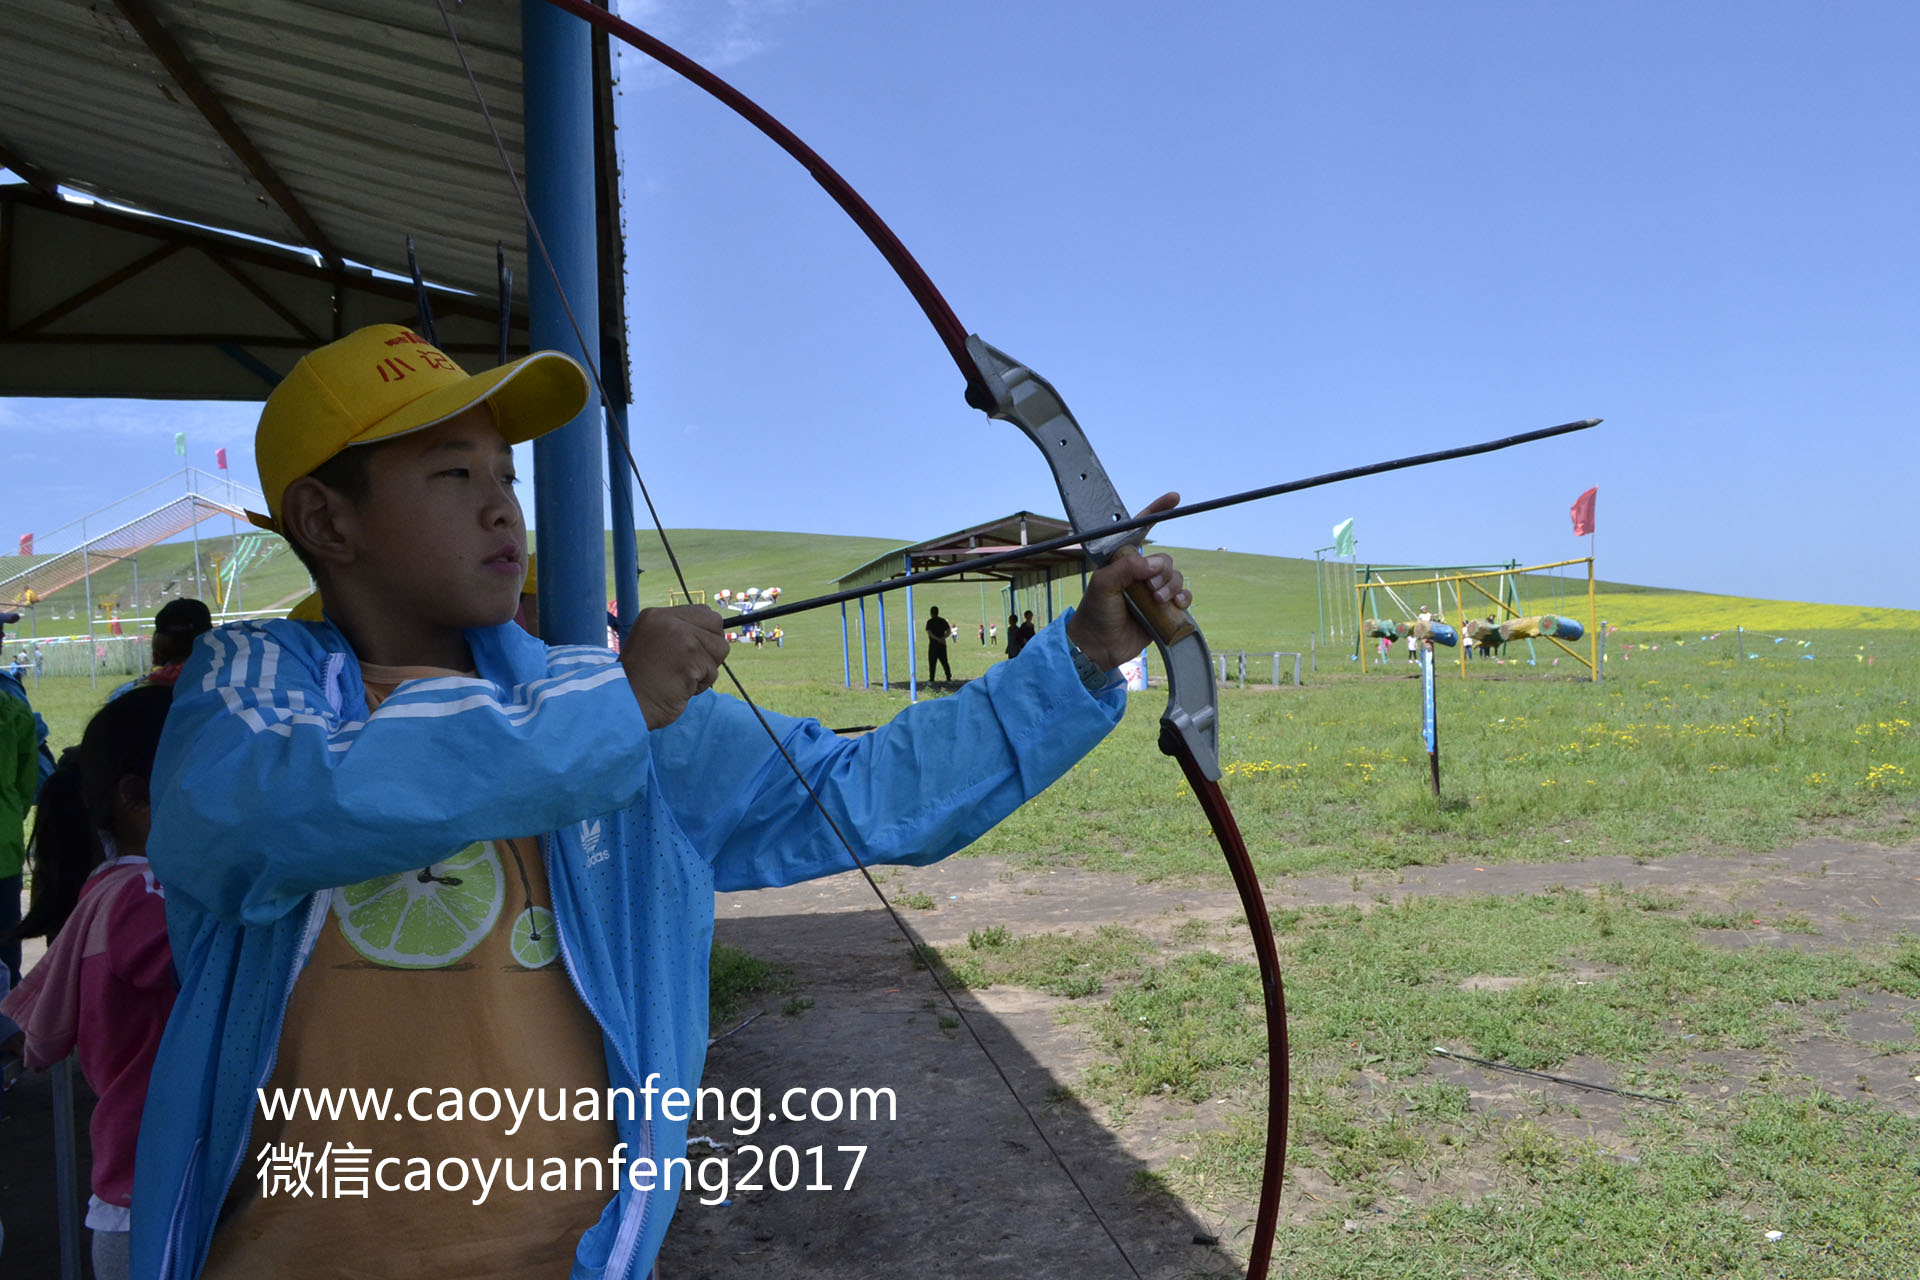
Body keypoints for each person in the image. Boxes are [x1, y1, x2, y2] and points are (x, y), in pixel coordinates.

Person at [130, 324, 1190, 1279]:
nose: (503, 504)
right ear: (327, 519)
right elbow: (263, 809)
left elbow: (857, 789)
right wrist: (615, 702)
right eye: (451, 474)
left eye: (506, 470)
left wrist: (1087, 653)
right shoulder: (249, 687)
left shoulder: (607, 706)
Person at [1, 686, 177, 1280]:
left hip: (149, 1196)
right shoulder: (139, 896)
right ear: (135, 797)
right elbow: (202, 958)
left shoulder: (116, 888)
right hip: (154, 1208)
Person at [0, 609, 52, 991]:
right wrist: (11, 809)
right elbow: (27, 778)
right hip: (3, 843)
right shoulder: (10, 702)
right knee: (5, 942)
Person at [925, 605, 952, 682]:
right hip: (942, 644)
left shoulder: (929, 622)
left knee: (932, 662)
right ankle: (948, 677)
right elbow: (949, 631)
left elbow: (929, 633)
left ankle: (932, 679)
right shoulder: (943, 621)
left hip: (933, 645)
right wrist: (942, 638)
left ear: (931, 613)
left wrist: (937, 639)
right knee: (944, 661)